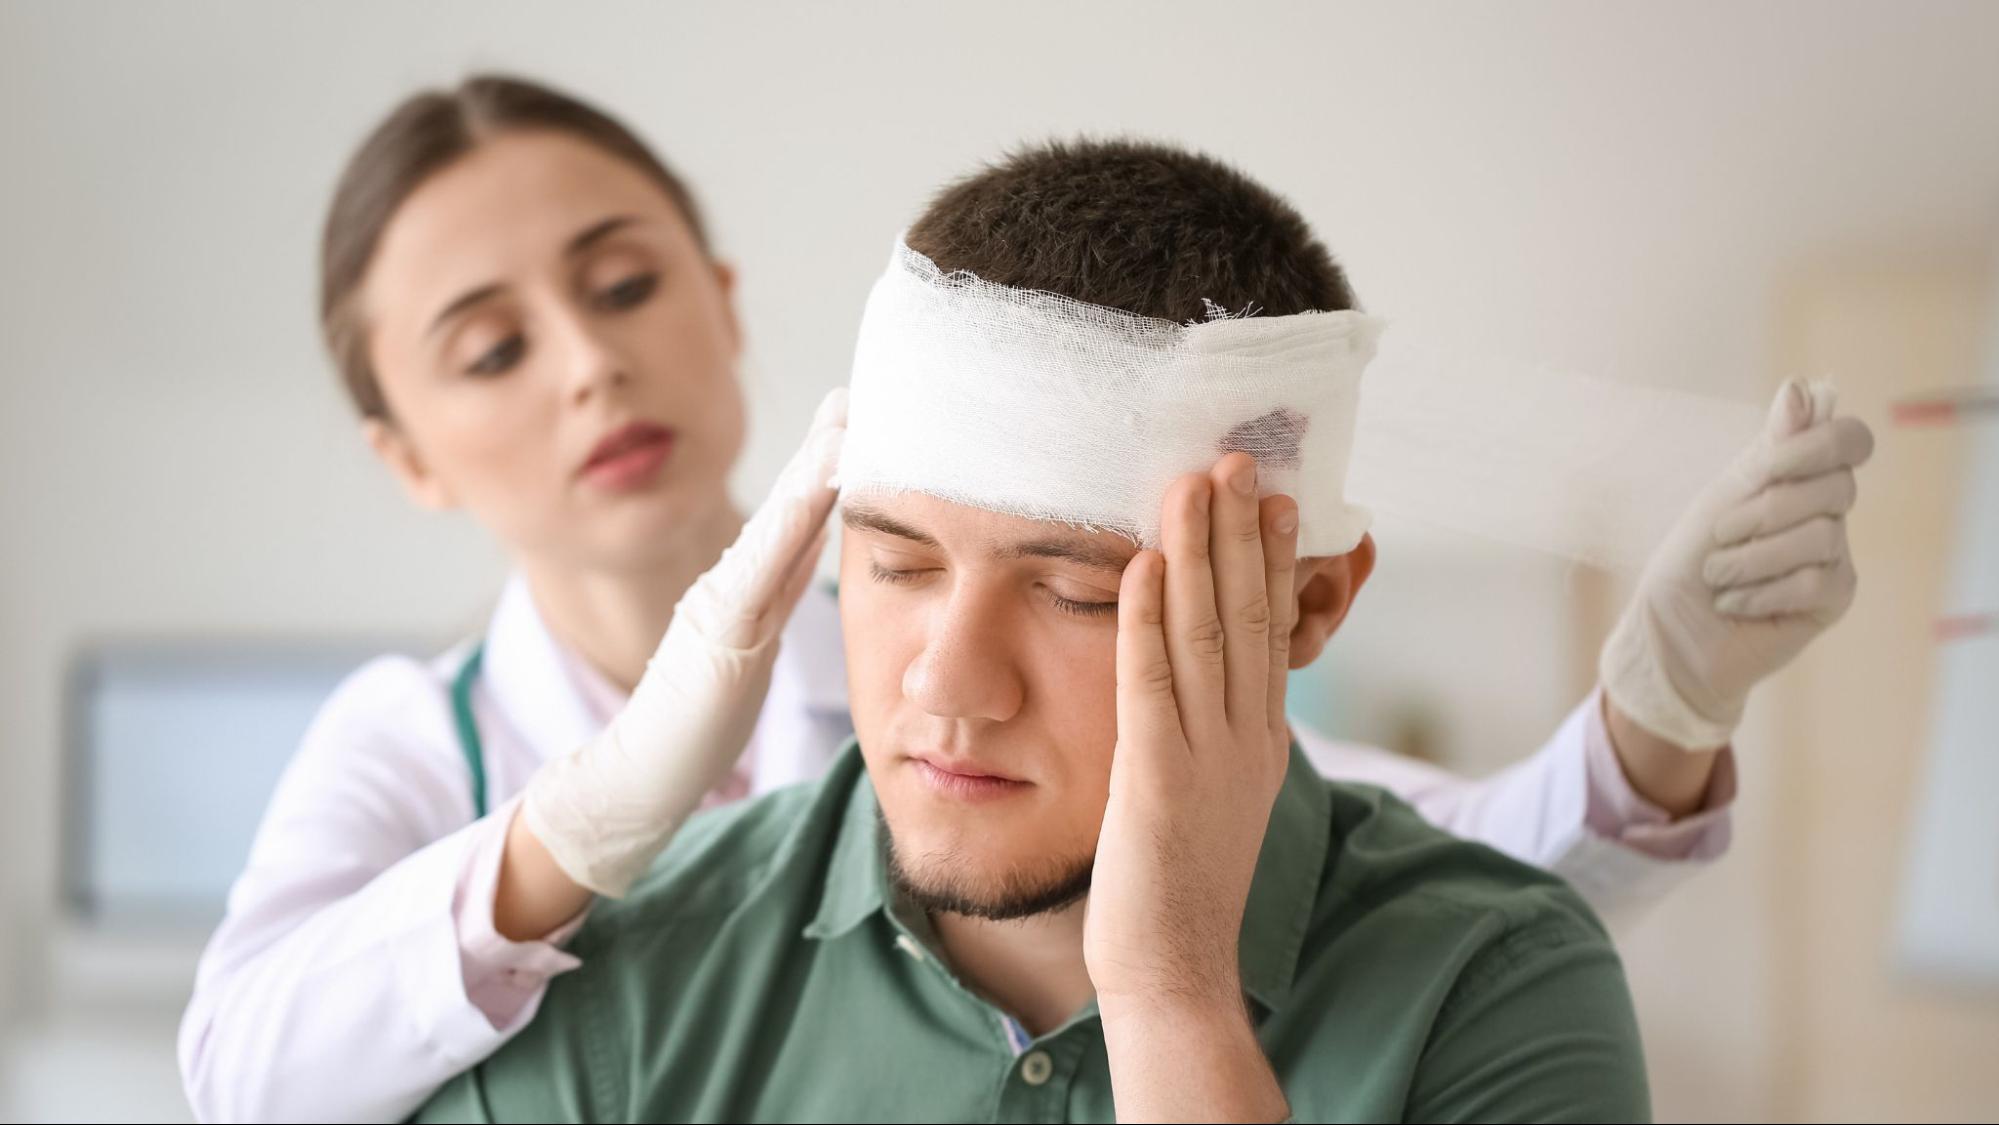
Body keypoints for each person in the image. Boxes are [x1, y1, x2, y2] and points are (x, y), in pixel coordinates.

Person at [180, 76, 1865, 1123]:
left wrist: (1173, 988)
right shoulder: (595, 935)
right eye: (894, 565)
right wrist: (588, 832)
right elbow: (242, 1074)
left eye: (1072, 591)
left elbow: (1451, 859)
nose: (944, 689)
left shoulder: (1481, 986)